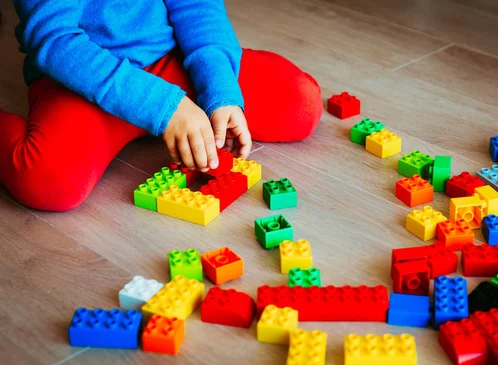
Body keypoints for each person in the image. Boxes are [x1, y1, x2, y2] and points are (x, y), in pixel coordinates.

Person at [0, 0, 322, 211]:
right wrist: (163, 107)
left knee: (300, 103)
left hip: (168, 59)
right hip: (81, 79)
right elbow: (54, 39)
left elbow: (197, 6)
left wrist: (221, 89)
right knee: (50, 180)